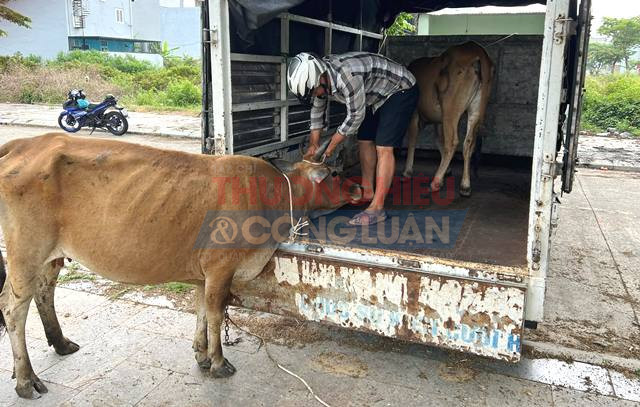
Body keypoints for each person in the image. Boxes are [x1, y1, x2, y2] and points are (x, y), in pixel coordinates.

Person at [287, 52, 418, 225]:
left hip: (400, 88)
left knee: (384, 147)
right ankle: (368, 191)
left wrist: (331, 145)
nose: (313, 95)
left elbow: (355, 116)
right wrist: (314, 144)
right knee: (364, 139)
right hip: (373, 95)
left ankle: (377, 208)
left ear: (321, 78)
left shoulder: (347, 75)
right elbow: (317, 112)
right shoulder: (321, 83)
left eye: (312, 91)